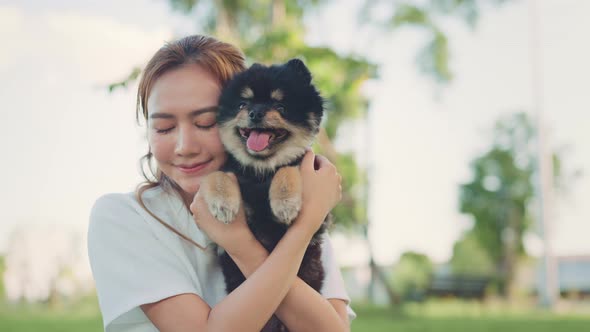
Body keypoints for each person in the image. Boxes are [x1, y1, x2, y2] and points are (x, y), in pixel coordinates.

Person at [87, 34, 355, 332]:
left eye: (206, 123)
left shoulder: (294, 201)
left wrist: (298, 226)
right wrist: (296, 229)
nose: (184, 146)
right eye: (163, 127)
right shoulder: (125, 217)